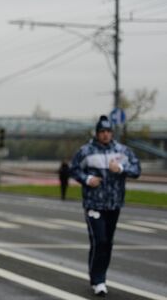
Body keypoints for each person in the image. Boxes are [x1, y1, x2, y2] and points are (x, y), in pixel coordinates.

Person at [70, 115, 141, 296]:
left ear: (112, 133)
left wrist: (121, 169)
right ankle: (98, 280)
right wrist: (87, 179)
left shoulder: (122, 151)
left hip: (114, 204)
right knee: (99, 240)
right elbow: (74, 169)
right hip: (94, 203)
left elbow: (136, 170)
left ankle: (99, 276)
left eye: (108, 131)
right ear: (97, 133)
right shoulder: (86, 151)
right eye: (102, 132)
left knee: (106, 243)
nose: (105, 135)